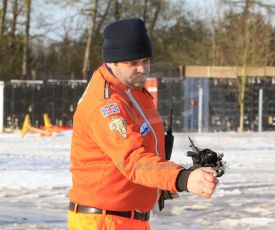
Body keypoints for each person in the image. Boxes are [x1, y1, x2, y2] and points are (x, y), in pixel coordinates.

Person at [68, 18, 219, 230]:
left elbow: (148, 148)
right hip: (104, 221)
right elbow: (133, 160)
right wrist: (181, 178)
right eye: (132, 63)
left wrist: (171, 179)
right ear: (111, 62)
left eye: (145, 61)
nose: (141, 69)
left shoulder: (133, 91)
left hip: (129, 219)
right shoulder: (107, 105)